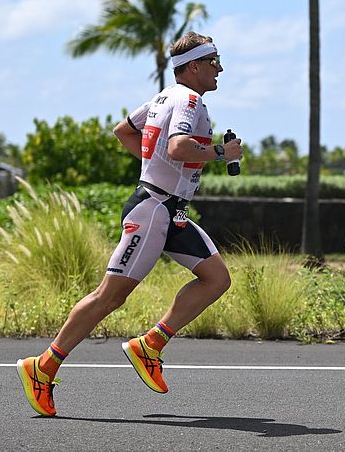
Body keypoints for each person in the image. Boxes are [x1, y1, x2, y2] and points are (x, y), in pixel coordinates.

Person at [16, 33, 243, 417]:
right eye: (214, 60)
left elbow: (124, 131)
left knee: (217, 278)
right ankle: (43, 367)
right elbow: (177, 147)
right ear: (194, 67)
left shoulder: (162, 98)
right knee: (110, 296)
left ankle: (150, 345)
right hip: (153, 210)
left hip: (172, 211)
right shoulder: (188, 100)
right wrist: (221, 152)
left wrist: (156, 162)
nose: (220, 68)